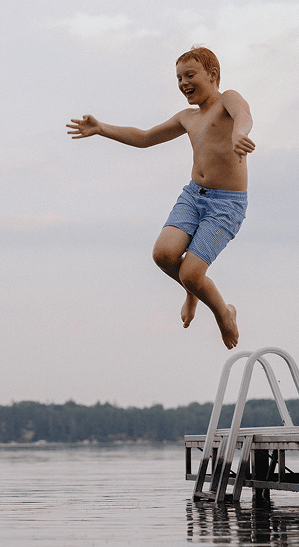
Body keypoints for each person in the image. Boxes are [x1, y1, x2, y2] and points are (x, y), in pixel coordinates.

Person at [67, 46, 254, 349]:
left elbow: (243, 115)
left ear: (213, 75)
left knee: (192, 273)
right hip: (194, 196)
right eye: (179, 78)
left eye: (190, 75)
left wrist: (238, 134)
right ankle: (192, 290)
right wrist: (102, 129)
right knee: (163, 255)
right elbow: (144, 138)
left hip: (225, 204)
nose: (183, 83)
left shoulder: (228, 100)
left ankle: (223, 313)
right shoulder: (187, 118)